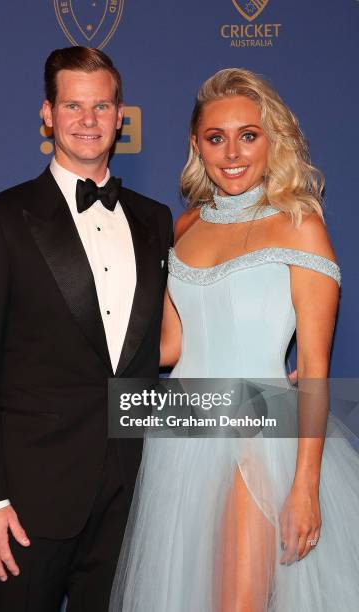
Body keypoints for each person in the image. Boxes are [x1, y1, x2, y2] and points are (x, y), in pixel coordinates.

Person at [109, 69, 359, 611]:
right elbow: (169, 347)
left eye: (248, 135)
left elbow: (314, 365)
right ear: (197, 146)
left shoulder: (299, 224)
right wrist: (75, 338)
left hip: (258, 432)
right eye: (216, 138)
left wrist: (304, 486)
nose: (232, 154)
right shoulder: (186, 226)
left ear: (274, 138)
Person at [0, 46, 172, 612]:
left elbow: (162, 346)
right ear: (48, 113)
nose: (88, 121)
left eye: (101, 106)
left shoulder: (155, 220)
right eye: (73, 105)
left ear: (121, 114)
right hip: (27, 502)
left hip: (131, 493)